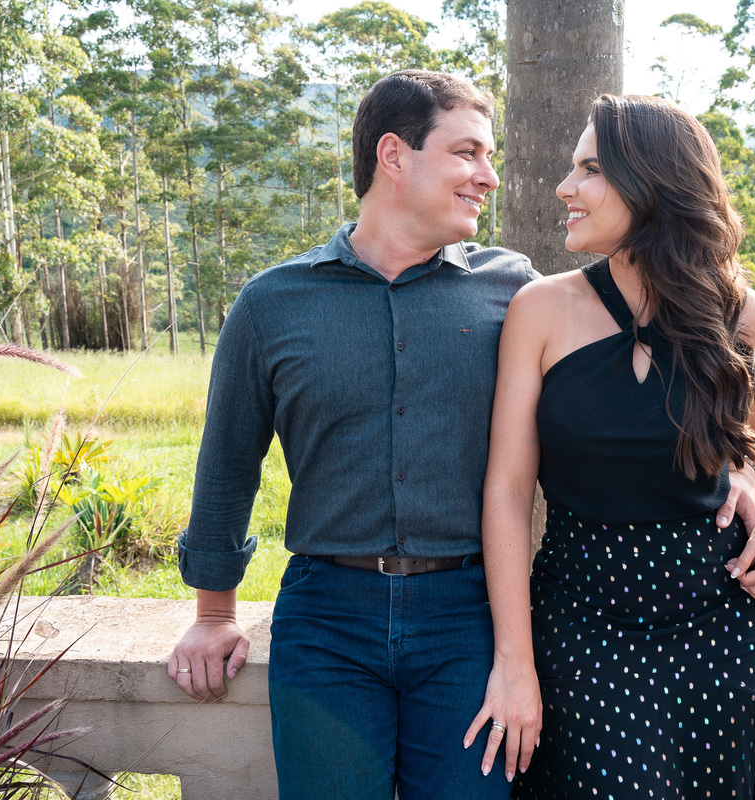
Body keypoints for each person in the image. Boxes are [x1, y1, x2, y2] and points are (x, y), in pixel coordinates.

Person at [167, 70, 540, 800]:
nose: (488, 177)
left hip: (469, 620)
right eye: (468, 153)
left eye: (489, 158)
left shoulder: (517, 290)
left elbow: (597, 412)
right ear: (395, 156)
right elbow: (227, 465)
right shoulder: (272, 303)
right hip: (327, 619)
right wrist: (214, 613)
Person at [472, 94, 755, 799]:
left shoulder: (744, 315)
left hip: (723, 620)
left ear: (650, 183)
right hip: (583, 619)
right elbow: (505, 490)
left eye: (590, 169)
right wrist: (515, 659)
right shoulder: (540, 309)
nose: (566, 187)